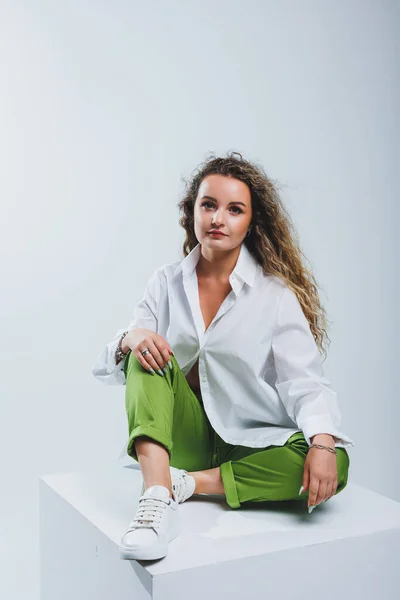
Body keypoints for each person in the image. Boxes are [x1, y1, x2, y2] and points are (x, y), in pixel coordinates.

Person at [92, 152, 354, 561]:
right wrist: (132, 336)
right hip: (184, 436)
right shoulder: (165, 282)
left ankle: (189, 484)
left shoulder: (275, 297)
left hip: (246, 442)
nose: (219, 218)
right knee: (143, 354)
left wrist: (320, 443)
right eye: (208, 205)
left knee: (335, 458)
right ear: (191, 212)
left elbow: (303, 382)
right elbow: (109, 364)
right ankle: (156, 501)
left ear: (250, 223)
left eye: (235, 210)